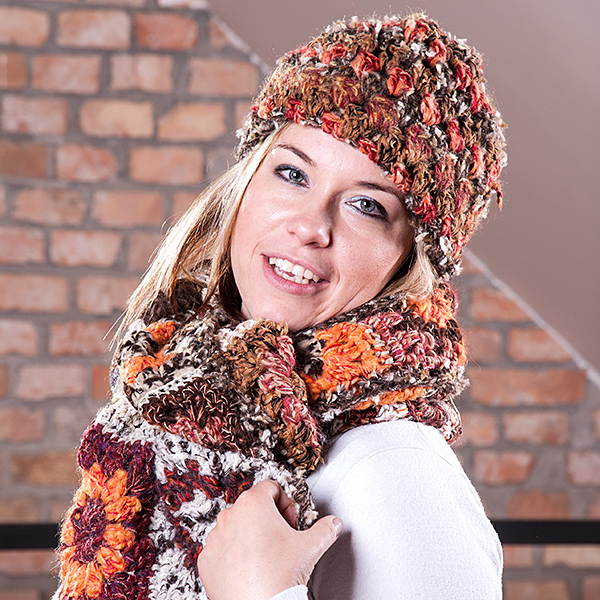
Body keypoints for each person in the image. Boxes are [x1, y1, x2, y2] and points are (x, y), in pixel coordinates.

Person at [53, 13, 506, 600]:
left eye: (367, 206)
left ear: (408, 262)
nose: (310, 225)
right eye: (292, 173)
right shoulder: (166, 405)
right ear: (246, 182)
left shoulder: (395, 472)